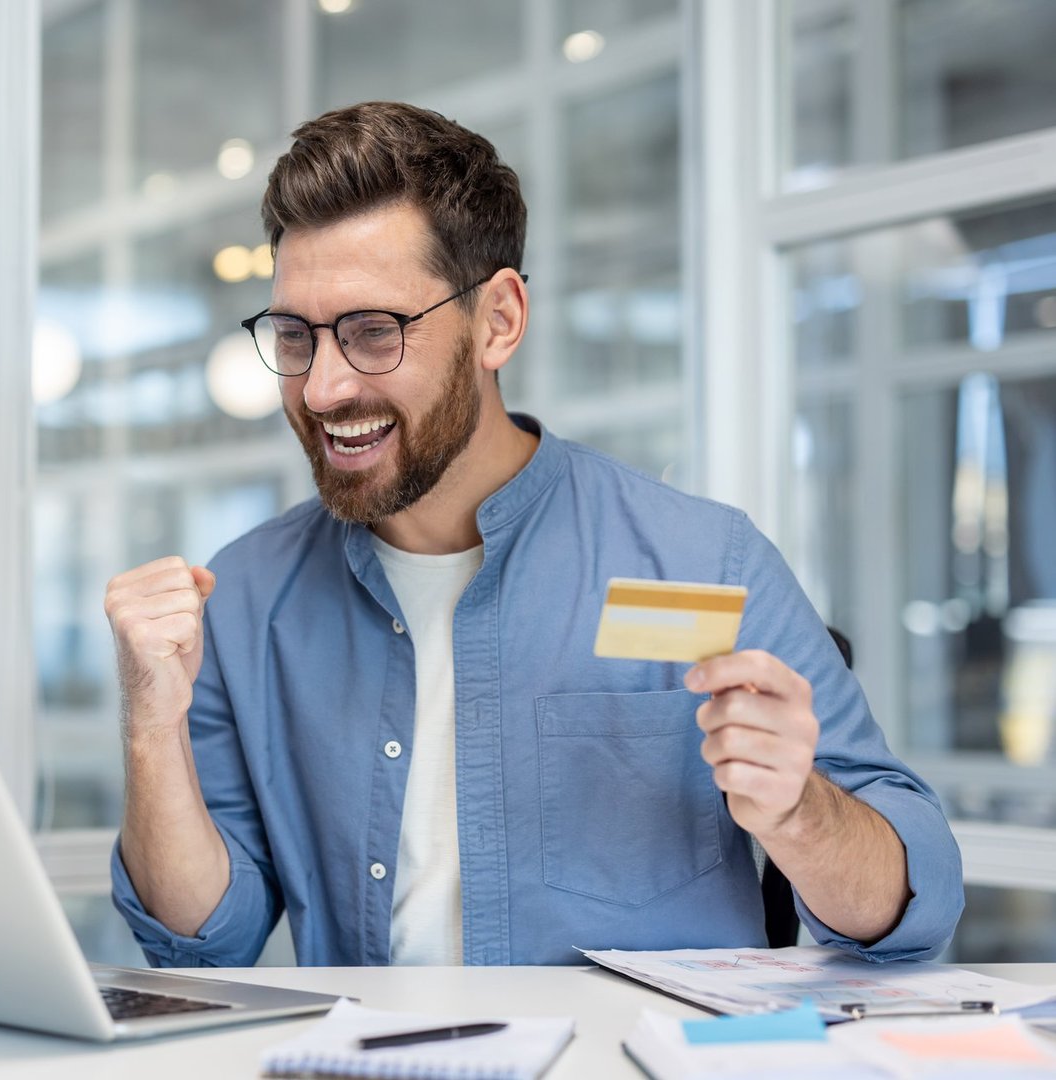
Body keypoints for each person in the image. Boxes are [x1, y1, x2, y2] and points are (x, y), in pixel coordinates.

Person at [104, 101, 963, 967]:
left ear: (499, 321)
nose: (323, 388)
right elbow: (201, 943)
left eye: (373, 332)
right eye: (295, 335)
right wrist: (151, 727)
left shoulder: (705, 562)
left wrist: (800, 812)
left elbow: (916, 908)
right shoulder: (247, 596)